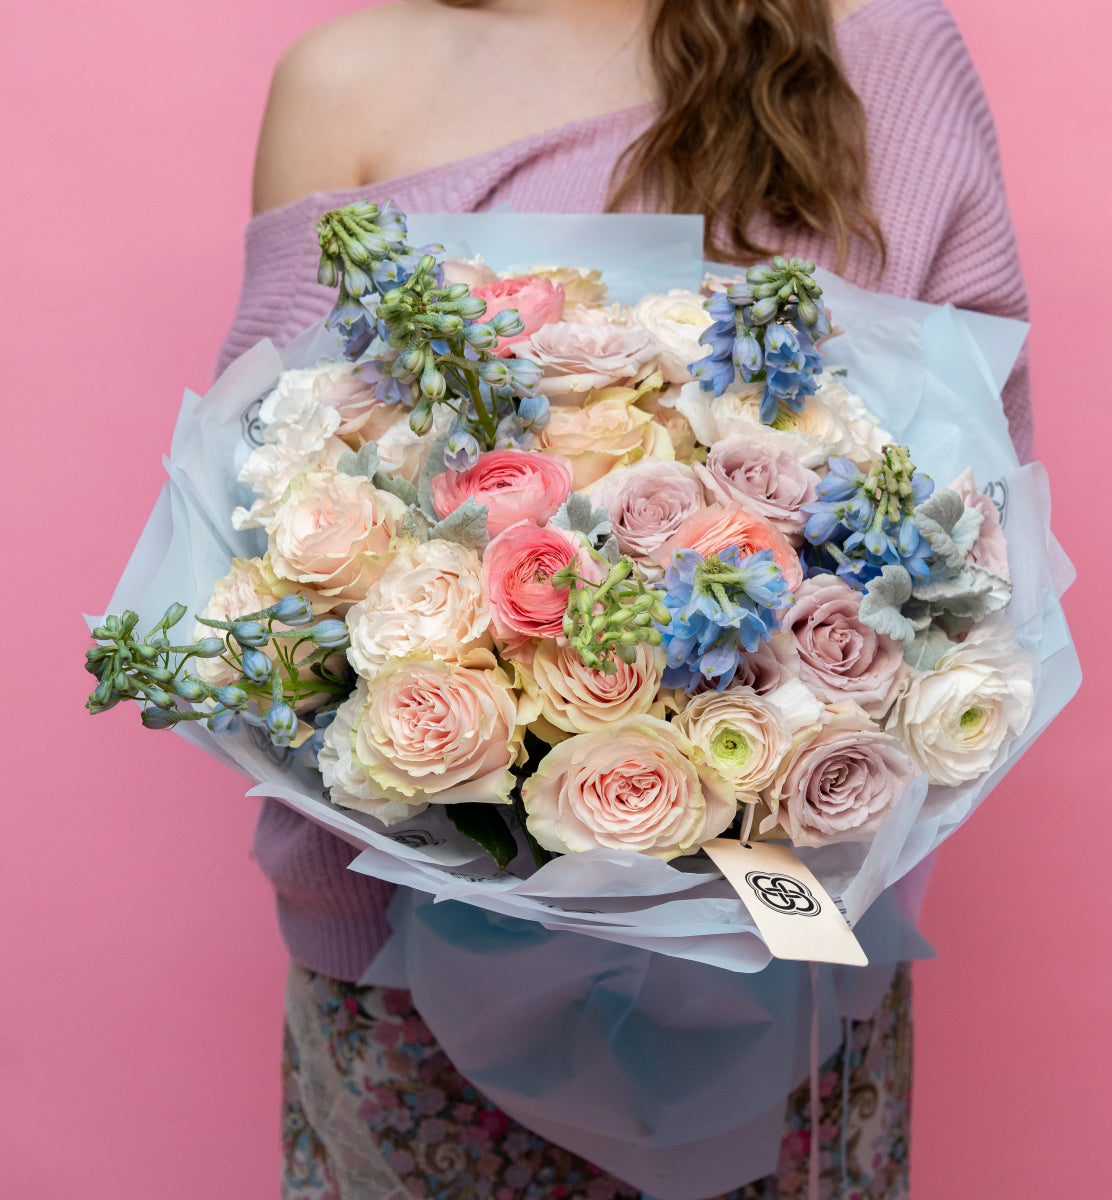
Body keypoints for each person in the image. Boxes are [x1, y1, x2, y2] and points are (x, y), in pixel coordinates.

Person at [216, 1, 1031, 1196]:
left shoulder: (878, 50)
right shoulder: (349, 80)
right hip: (408, 977)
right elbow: (268, 523)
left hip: (781, 969)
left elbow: (974, 559)